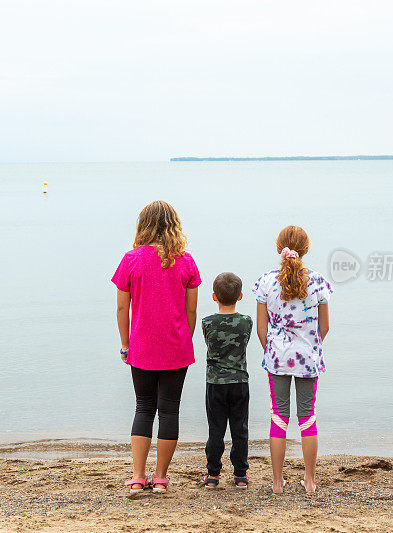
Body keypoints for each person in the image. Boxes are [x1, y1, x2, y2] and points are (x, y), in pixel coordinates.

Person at [111, 200, 201, 495]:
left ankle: (138, 476)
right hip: (176, 347)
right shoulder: (186, 260)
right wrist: (184, 340)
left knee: (144, 407)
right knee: (170, 411)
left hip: (142, 347)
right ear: (174, 225)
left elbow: (122, 308)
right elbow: (191, 312)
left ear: (144, 225)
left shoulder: (131, 259)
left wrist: (126, 345)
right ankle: (160, 477)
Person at [252, 225, 332, 494]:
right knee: (307, 417)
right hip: (308, 357)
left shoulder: (266, 281)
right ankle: (309, 481)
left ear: (279, 248)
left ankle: (277, 483)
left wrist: (271, 350)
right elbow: (325, 327)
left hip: (277, 357)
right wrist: (310, 346)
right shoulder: (318, 281)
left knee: (279, 416)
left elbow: (261, 328)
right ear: (306, 249)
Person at [200, 272, 252, 490]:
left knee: (216, 428)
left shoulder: (208, 322)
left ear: (214, 296)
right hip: (239, 381)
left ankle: (213, 474)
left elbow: (209, 345)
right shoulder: (246, 322)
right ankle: (240, 474)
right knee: (239, 429)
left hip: (215, 383)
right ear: (240, 296)